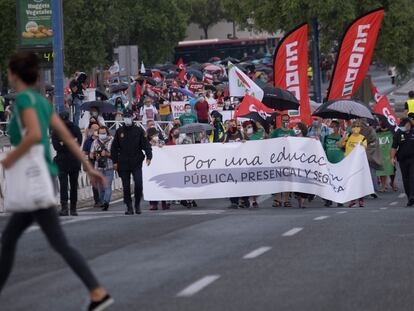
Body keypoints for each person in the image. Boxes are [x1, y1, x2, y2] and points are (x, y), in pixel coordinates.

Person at [0, 52, 113, 310]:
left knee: (43, 242)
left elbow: (34, 135)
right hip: (42, 176)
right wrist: (88, 167)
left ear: (14, 74)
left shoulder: (25, 101)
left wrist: (9, 159)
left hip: (33, 179)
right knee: (13, 240)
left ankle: (97, 291)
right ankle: (96, 291)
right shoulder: (41, 101)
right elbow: (69, 138)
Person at [111, 110, 152, 215]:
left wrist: (149, 156)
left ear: (132, 117)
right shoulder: (119, 131)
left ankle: (137, 204)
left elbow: (145, 144)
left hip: (136, 161)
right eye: (125, 117)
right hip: (123, 162)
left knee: (138, 184)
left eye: (128, 117)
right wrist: (115, 161)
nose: (127, 119)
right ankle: (129, 206)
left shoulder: (138, 130)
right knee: (126, 186)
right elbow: (114, 148)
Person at [52, 111, 83, 216]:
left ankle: (67, 208)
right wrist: (70, 142)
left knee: (66, 186)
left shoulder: (58, 130)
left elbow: (76, 143)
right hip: (71, 160)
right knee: (71, 186)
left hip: (64, 161)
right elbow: (58, 146)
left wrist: (64, 143)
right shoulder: (74, 129)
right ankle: (72, 208)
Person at [339, 121, 368, 207]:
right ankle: (352, 199)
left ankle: (361, 199)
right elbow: (340, 145)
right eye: (354, 126)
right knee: (350, 181)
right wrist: (343, 138)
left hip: (359, 163)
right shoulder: (348, 137)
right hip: (348, 162)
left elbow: (365, 148)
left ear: (360, 129)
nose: (356, 128)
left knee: (359, 181)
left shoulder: (363, 138)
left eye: (358, 127)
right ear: (351, 128)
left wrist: (362, 145)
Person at [271, 114, 295, 207]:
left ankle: (286, 199)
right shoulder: (277, 131)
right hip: (278, 158)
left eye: (287, 120)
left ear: (289, 121)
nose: (285, 122)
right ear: (281, 121)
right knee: (278, 179)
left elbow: (295, 143)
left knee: (287, 179)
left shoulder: (292, 132)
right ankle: (277, 199)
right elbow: (271, 142)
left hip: (288, 158)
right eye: (283, 120)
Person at [90, 126, 114, 211]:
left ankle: (106, 202)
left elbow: (115, 153)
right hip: (98, 167)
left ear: (107, 133)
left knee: (107, 186)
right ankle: (102, 200)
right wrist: (96, 155)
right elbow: (91, 154)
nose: (102, 135)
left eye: (104, 133)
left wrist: (107, 154)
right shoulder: (95, 142)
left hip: (109, 166)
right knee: (100, 187)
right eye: (101, 133)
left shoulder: (112, 140)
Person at [391, 118, 414, 206]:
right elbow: (394, 147)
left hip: (413, 158)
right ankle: (409, 197)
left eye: (404, 126)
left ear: (409, 124)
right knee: (406, 179)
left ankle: (412, 195)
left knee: (413, 177)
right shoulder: (398, 133)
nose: (403, 127)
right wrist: (392, 158)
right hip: (402, 159)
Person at [323, 120, 345, 207]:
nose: (331, 128)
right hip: (329, 162)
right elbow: (323, 148)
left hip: (339, 163)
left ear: (338, 128)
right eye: (330, 127)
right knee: (329, 182)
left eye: (333, 127)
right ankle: (328, 200)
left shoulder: (342, 137)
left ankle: (339, 200)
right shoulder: (326, 137)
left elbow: (346, 148)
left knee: (339, 182)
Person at [83, 123, 101, 207]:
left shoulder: (102, 139)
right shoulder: (88, 141)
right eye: (94, 130)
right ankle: (97, 200)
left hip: (101, 163)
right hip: (92, 164)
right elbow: (84, 153)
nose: (96, 131)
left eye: (97, 129)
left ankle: (103, 198)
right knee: (94, 182)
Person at [376, 122, 394, 192]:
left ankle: (392, 183)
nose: (383, 128)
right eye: (382, 127)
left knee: (392, 170)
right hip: (380, 155)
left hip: (390, 154)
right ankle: (383, 186)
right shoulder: (377, 132)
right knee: (381, 171)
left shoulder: (391, 132)